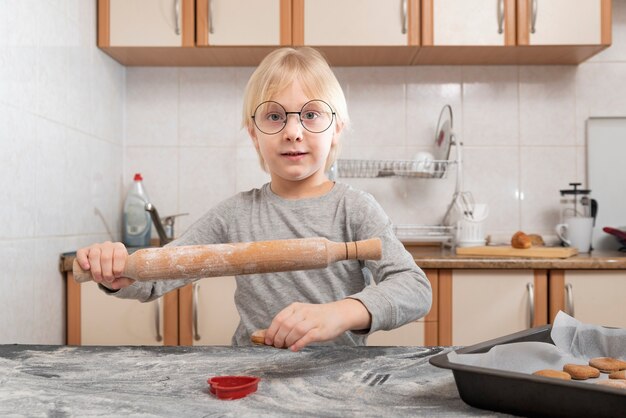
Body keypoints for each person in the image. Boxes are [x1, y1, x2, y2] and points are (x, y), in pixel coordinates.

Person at [76, 47, 432, 352]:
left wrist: (341, 313)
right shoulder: (236, 215)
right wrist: (115, 271)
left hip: (336, 375)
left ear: (336, 128)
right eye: (274, 116)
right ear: (253, 134)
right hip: (250, 373)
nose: (293, 132)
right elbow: (158, 274)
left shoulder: (354, 209)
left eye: (311, 115)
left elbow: (414, 289)